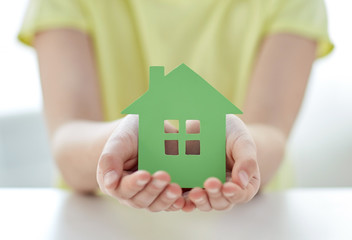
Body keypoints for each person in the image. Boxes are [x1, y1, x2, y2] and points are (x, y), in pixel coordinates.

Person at [18, 0, 333, 212]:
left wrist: (231, 148)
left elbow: (270, 133)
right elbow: (67, 139)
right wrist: (123, 142)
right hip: (100, 221)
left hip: (247, 220)